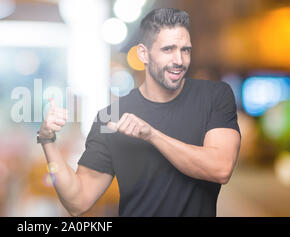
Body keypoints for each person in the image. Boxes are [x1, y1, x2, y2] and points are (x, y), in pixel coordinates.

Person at [37, 8, 241, 217]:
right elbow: (77, 202)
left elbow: (221, 168)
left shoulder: (213, 96)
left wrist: (151, 135)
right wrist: (47, 140)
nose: (179, 60)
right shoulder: (111, 116)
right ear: (144, 53)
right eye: (168, 49)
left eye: (185, 50)